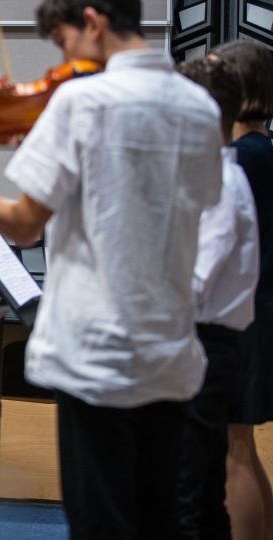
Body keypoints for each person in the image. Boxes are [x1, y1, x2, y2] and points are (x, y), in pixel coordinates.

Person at [0, 1, 224, 537]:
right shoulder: (201, 106)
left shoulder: (82, 101)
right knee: (162, 521)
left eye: (64, 42)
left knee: (101, 525)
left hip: (98, 355)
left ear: (93, 21)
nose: (65, 60)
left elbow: (23, 226)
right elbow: (191, 205)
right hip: (171, 355)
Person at [174, 52, 259, 540]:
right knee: (203, 497)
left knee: (186, 499)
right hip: (203, 345)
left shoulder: (222, 185)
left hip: (205, 348)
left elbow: (193, 284)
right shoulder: (214, 178)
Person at [211, 39, 273, 540]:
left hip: (247, 315)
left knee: (234, 445)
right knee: (240, 445)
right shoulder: (261, 150)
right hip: (257, 310)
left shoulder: (244, 159)